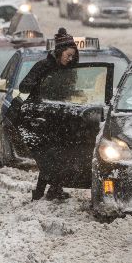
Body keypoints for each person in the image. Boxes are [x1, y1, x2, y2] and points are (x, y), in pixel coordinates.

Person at [18, 28, 79, 201]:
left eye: (73, 55)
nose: (71, 58)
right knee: (49, 158)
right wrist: (34, 83)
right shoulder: (43, 67)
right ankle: (41, 193)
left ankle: (53, 190)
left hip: (59, 118)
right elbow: (24, 87)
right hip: (40, 119)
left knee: (58, 157)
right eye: (68, 55)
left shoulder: (68, 69)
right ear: (59, 52)